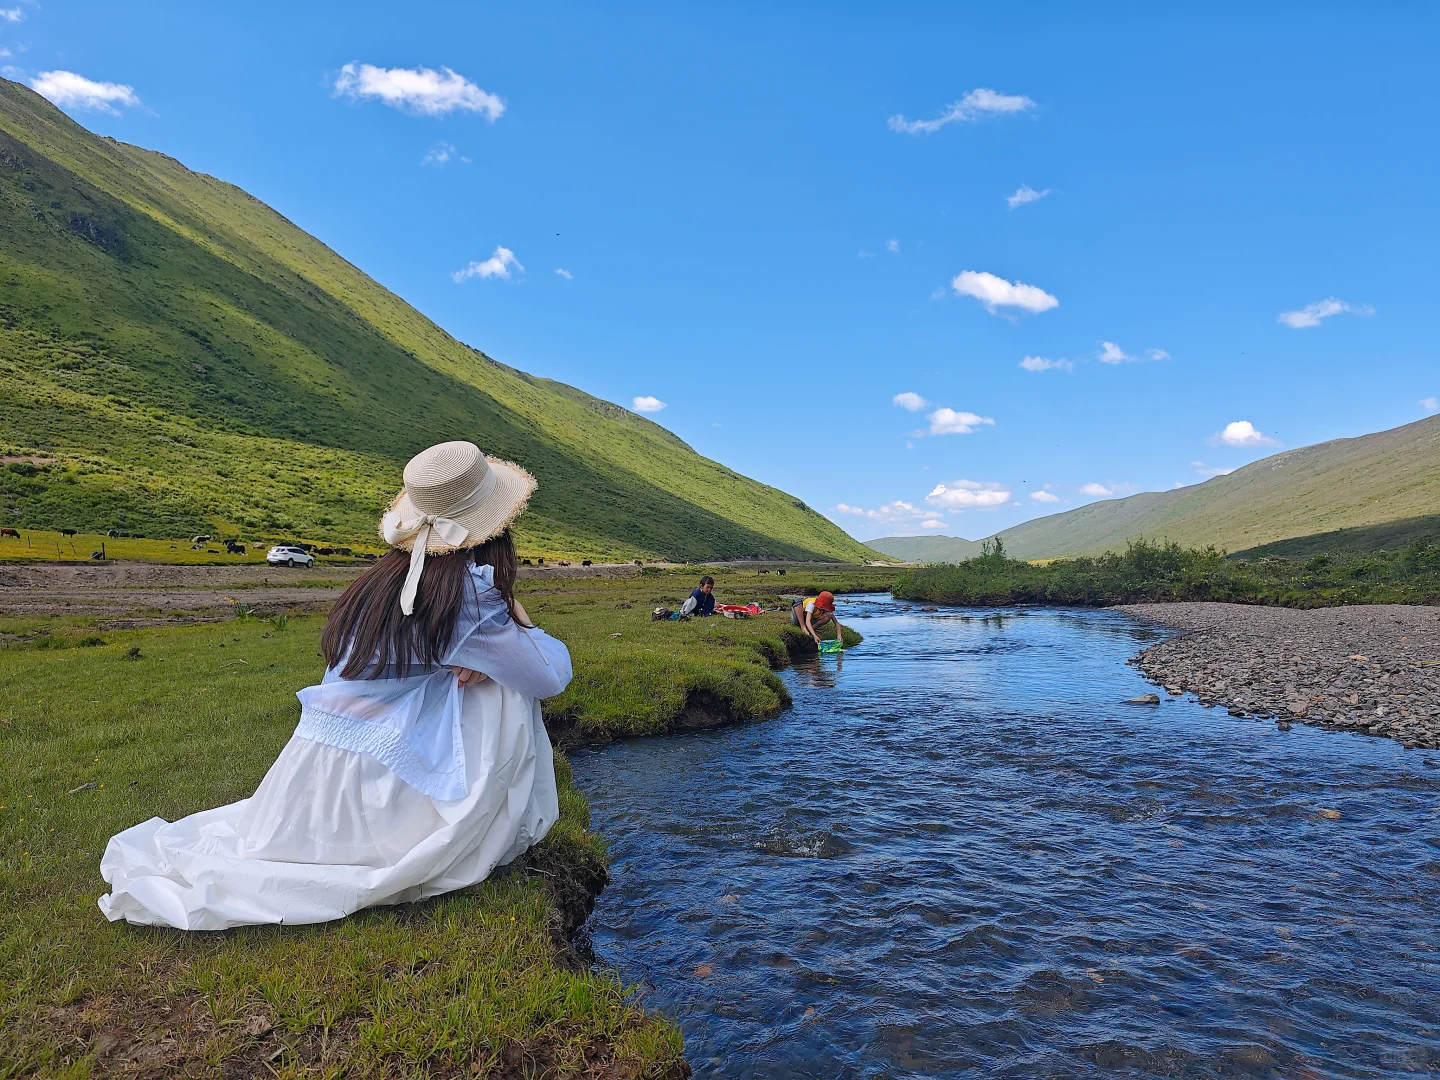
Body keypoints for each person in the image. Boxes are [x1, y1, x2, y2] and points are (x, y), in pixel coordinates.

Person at [98, 441, 572, 931]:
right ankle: (477, 828)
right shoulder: (468, 594)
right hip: (375, 800)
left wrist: (482, 659)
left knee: (491, 674)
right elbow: (549, 675)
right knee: (507, 690)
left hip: (312, 782)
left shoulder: (382, 580)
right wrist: (519, 625)